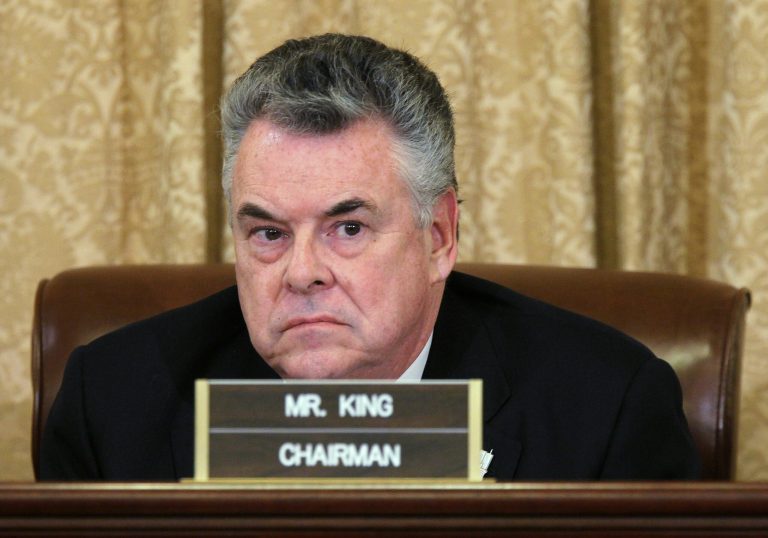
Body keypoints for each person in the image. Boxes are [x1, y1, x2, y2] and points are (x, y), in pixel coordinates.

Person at [40, 33, 700, 480]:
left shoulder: (605, 407)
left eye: (348, 229)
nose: (302, 273)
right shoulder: (114, 405)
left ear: (439, 236)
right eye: (268, 234)